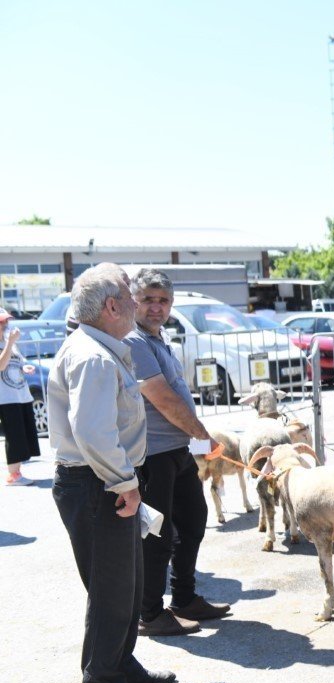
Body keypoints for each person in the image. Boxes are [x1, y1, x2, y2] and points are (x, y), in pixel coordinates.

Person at [49, 265, 176, 683]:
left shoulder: (101, 349)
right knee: (111, 589)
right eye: (129, 292)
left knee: (125, 582)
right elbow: (94, 431)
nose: (137, 298)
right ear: (111, 306)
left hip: (102, 481)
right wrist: (125, 483)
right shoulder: (94, 356)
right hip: (98, 483)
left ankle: (119, 664)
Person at [123, 269, 230, 637]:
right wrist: (204, 436)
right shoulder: (134, 342)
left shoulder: (158, 338)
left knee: (194, 519)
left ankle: (183, 598)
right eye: (148, 299)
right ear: (132, 300)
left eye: (163, 300)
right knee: (157, 533)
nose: (156, 307)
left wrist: (196, 441)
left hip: (176, 450)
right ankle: (149, 613)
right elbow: (162, 398)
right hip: (152, 455)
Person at [0, 307, 41, 485]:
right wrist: (9, 343)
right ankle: (13, 475)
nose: (6, 325)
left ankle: (17, 471)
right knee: (14, 435)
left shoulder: (10, 342)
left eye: (6, 322)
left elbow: (17, 362)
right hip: (6, 397)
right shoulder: (8, 342)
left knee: (24, 434)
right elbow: (1, 365)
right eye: (2, 323)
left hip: (21, 394)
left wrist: (25, 368)